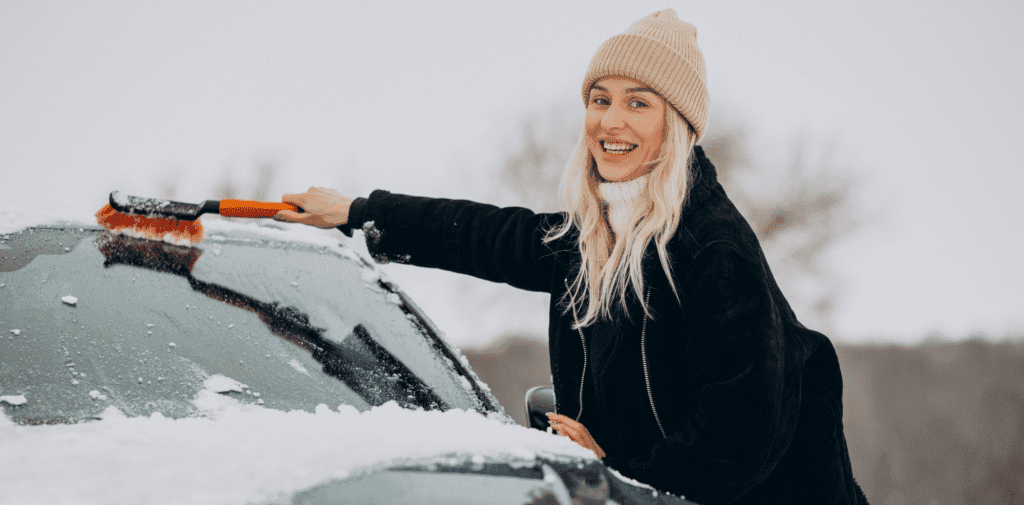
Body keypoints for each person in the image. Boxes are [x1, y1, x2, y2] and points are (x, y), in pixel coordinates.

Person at [273, 9, 869, 505]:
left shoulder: (712, 251)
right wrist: (357, 211)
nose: (610, 121)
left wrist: (613, 470)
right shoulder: (600, 238)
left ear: (679, 124)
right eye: (600, 99)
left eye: (639, 103)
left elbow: (737, 443)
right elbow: (486, 236)